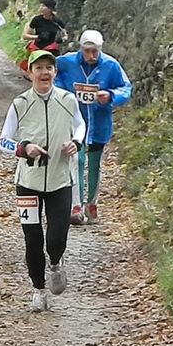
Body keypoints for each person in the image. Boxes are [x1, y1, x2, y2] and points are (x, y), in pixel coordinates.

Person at [0, 50, 86, 312]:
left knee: (56, 237)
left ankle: (56, 263)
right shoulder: (20, 104)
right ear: (30, 73)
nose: (44, 73)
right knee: (32, 238)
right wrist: (24, 149)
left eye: (49, 68)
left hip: (60, 180)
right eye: (39, 68)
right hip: (28, 181)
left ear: (55, 73)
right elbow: (3, 140)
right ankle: (38, 289)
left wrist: (76, 142)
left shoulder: (67, 100)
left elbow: (80, 125)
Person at [55, 30, 132, 225]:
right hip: (74, 121)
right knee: (76, 160)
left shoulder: (111, 65)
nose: (92, 56)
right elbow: (53, 77)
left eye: (95, 51)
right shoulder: (66, 62)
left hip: (99, 122)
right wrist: (64, 94)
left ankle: (91, 203)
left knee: (95, 164)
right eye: (88, 51)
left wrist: (111, 96)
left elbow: (125, 87)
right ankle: (76, 205)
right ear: (80, 49)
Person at [19, 0, 67, 77]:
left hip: (51, 49)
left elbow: (65, 35)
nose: (41, 8)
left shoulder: (57, 21)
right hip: (37, 48)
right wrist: (38, 37)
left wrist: (61, 39)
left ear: (50, 9)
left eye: (43, 6)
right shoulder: (36, 20)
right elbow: (25, 36)